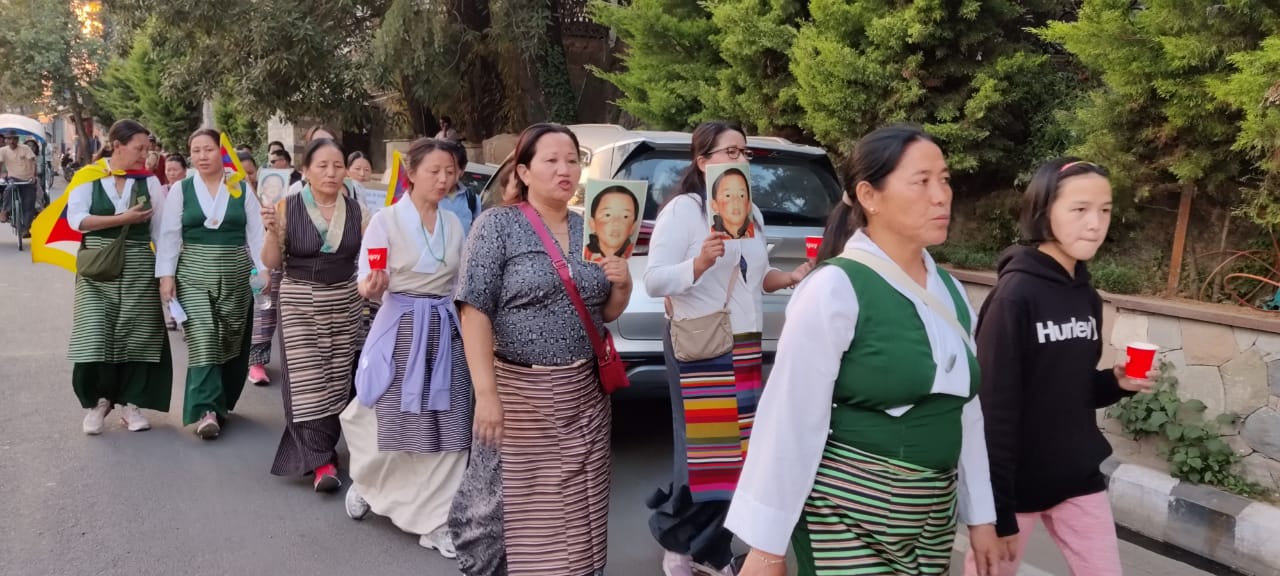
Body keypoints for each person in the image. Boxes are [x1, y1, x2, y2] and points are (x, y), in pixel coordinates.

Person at [724, 125, 1001, 576]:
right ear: (869, 195)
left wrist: (982, 516)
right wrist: (766, 549)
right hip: (847, 517)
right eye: (922, 181)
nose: (941, 196)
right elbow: (789, 421)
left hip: (930, 524)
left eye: (945, 179)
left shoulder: (951, 292)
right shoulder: (833, 289)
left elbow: (965, 412)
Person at [962, 159, 1156, 576]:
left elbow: (1072, 387)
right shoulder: (1015, 296)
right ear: (1044, 210)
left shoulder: (1085, 294)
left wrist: (1116, 382)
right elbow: (992, 409)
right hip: (1016, 489)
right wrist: (998, 513)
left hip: (1077, 478)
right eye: (1080, 209)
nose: (1096, 223)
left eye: (1105, 210)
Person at [454, 123, 632, 575]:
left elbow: (605, 312)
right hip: (519, 391)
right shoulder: (498, 226)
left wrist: (622, 283)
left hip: (584, 393)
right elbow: (474, 309)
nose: (564, 169)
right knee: (499, 511)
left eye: (572, 160)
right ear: (525, 171)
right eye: (551, 160)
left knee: (581, 505)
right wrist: (486, 394)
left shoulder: (592, 226)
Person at [644, 121, 812, 576]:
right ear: (703, 161)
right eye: (729, 151)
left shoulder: (749, 213)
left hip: (745, 344)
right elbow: (655, 278)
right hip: (702, 342)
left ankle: (707, 545)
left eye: (744, 151)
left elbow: (756, 280)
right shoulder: (685, 210)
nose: (739, 159)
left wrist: (794, 277)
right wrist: (697, 262)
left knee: (741, 456)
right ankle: (681, 541)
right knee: (708, 456)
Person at [342, 137, 472, 558]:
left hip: (445, 331)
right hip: (399, 328)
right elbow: (367, 276)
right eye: (434, 170)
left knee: (450, 425)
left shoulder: (455, 224)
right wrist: (372, 286)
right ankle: (368, 482)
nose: (443, 179)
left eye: (450, 171)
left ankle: (436, 521)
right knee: (388, 418)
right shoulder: (385, 219)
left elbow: (460, 284)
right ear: (411, 173)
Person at [261, 138, 364, 493]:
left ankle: (330, 445)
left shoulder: (358, 209)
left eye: (338, 165)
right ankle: (321, 461)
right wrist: (273, 231)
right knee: (306, 382)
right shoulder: (286, 207)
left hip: (346, 302)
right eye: (322, 166)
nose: (331, 173)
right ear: (304, 171)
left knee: (338, 378)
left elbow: (369, 257)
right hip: (300, 302)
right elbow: (272, 263)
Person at [156, 128, 266, 440]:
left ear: (221, 152)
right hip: (192, 272)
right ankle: (205, 410)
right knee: (203, 336)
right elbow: (169, 234)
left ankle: (221, 402)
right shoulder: (182, 189)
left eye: (208, 150)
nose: (202, 156)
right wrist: (167, 276)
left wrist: (263, 270)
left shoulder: (238, 186)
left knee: (230, 337)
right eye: (196, 151)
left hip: (235, 272)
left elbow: (256, 232)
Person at [67, 119, 171, 435]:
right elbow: (76, 220)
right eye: (139, 149)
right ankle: (98, 403)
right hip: (98, 266)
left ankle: (129, 402)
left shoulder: (149, 182)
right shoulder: (88, 176)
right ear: (117, 145)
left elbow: (163, 233)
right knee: (95, 333)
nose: (145, 155)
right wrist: (122, 218)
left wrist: (166, 275)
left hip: (140, 265)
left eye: (148, 149)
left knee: (136, 335)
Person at [584, 185, 640, 262]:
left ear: (633, 227)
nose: (616, 223)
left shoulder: (639, 258)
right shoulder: (581, 257)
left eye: (625, 216)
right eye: (607, 215)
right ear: (592, 224)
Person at [437, 141, 480, 236]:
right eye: (436, 170)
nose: (443, 177)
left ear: (462, 170)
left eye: (449, 171)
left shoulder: (472, 199)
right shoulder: (428, 199)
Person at [0, 131, 39, 236]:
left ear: (17, 140)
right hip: (13, 178)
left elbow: (32, 162)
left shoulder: (25, 148)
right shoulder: (3, 151)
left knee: (29, 205)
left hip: (28, 179)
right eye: (9, 139)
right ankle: (5, 211)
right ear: (6, 140)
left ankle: (25, 229)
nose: (12, 141)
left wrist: (34, 176)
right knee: (9, 188)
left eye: (14, 139)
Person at [708, 167, 753, 239]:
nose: (736, 201)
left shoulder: (757, 230)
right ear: (714, 205)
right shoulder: (707, 235)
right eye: (728, 195)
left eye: (741, 195)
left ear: (748, 205)